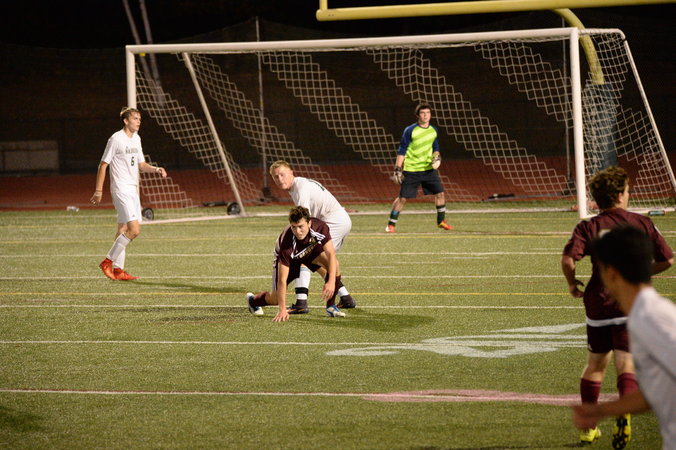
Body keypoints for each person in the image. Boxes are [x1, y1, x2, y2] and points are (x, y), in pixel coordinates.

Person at [561, 166, 673, 447]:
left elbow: (568, 259)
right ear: (621, 195)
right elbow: (668, 259)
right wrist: (638, 273)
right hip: (628, 304)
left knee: (595, 364)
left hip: (598, 301)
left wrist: (572, 284)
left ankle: (588, 429)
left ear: (597, 199)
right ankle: (624, 412)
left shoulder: (588, 226)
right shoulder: (641, 222)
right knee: (626, 362)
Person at [572, 226, 676, 450]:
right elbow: (654, 393)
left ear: (610, 273)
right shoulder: (641, 314)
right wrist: (599, 411)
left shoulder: (652, 318)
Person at [90, 107, 167, 280]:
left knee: (123, 229)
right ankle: (107, 261)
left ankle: (118, 270)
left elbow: (141, 165)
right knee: (134, 230)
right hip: (121, 189)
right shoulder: (116, 139)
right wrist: (98, 190)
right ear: (126, 121)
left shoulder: (137, 138)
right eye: (135, 118)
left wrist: (156, 169)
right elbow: (103, 165)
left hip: (132, 189)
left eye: (139, 119)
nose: (138, 121)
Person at [268, 160, 355, 313]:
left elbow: (303, 218)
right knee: (316, 260)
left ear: (291, 173)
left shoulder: (300, 188)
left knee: (304, 255)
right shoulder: (298, 186)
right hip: (338, 220)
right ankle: (345, 296)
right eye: (276, 177)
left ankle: (302, 303)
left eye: (282, 174)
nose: (280, 179)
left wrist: (286, 234)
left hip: (334, 222)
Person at [246, 206, 349, 322]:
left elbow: (331, 254)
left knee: (335, 265)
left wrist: (331, 282)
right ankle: (253, 301)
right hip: (292, 259)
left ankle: (330, 307)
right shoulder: (287, 243)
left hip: (309, 251)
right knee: (275, 299)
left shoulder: (320, 227)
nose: (297, 231)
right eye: (293, 227)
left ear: (309, 223)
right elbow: (282, 280)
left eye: (300, 226)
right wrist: (282, 309)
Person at [386, 103, 452, 232]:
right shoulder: (410, 130)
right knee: (402, 198)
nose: (425, 115)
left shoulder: (433, 130)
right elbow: (402, 150)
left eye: (428, 113)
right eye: (422, 113)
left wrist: (437, 156)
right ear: (418, 115)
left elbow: (435, 147)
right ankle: (391, 225)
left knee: (440, 194)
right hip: (411, 170)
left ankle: (441, 222)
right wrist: (398, 168)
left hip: (428, 170)